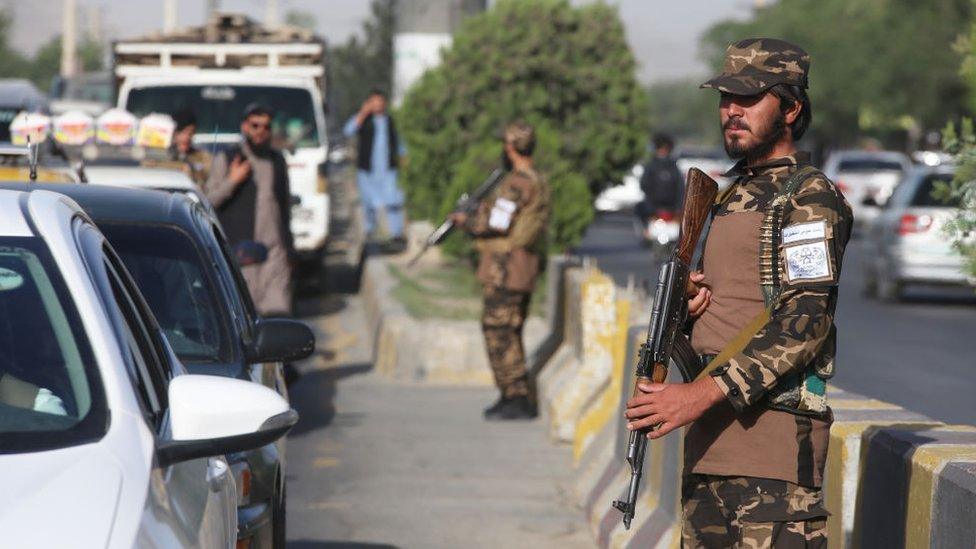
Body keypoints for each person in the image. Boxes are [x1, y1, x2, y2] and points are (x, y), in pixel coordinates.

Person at [624, 38, 852, 547]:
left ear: (791, 108)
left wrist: (696, 395)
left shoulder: (809, 196)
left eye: (749, 98)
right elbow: (732, 307)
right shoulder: (730, 196)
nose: (731, 110)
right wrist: (688, 311)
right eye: (726, 98)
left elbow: (804, 322)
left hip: (771, 463)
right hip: (709, 452)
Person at [452, 122, 551, 421]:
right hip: (521, 268)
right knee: (510, 330)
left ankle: (515, 396)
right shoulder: (537, 180)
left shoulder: (517, 183)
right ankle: (512, 393)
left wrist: (465, 221)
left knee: (499, 332)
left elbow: (496, 223)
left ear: (510, 147)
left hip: (505, 270)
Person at [205, 103, 295, 317]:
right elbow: (208, 202)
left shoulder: (277, 161)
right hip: (242, 256)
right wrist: (232, 181)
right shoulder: (227, 159)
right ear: (245, 127)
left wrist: (290, 251)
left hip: (274, 256)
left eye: (266, 126)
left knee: (278, 316)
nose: (261, 131)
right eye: (255, 126)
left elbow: (284, 208)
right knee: (246, 319)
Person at [343, 89, 407, 249]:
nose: (377, 105)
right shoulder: (364, 120)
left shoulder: (390, 120)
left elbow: (399, 141)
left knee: (393, 201)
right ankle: (370, 231)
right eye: (374, 102)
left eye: (380, 101)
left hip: (388, 169)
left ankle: (396, 234)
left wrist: (404, 156)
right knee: (368, 203)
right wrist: (363, 113)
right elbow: (348, 130)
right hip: (367, 169)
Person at [635, 133, 683, 225]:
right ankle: (646, 232)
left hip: (671, 206)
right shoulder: (651, 165)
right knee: (639, 209)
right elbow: (644, 184)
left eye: (665, 149)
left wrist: (678, 206)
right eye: (661, 148)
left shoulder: (673, 166)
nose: (663, 151)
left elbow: (680, 188)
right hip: (653, 206)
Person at [169, 109, 212, 187]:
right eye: (183, 132)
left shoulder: (203, 157)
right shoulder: (160, 156)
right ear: (173, 133)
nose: (187, 137)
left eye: (191, 133)